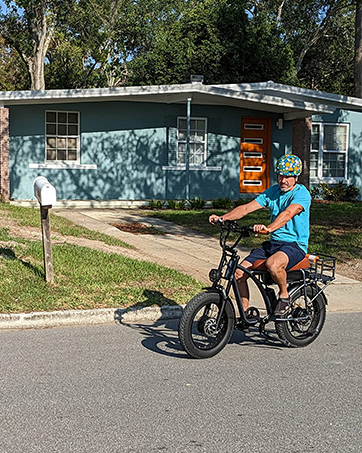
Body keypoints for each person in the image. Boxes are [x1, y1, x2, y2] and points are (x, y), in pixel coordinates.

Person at [209, 154, 311, 317]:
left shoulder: (302, 194)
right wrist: (223, 218)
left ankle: (284, 296)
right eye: (280, 175)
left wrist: (269, 228)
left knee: (273, 264)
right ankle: (245, 313)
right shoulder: (273, 192)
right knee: (237, 272)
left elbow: (288, 213)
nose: (283, 180)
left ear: (296, 177)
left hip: (294, 245)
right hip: (273, 244)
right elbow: (245, 209)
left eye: (287, 176)